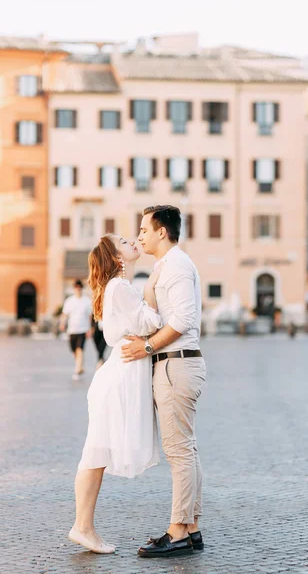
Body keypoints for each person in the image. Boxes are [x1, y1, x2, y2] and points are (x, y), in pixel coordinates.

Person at [68, 234, 163, 554]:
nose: (133, 240)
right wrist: (153, 297)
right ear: (117, 258)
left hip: (118, 374)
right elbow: (151, 321)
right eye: (124, 241)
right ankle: (82, 527)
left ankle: (84, 526)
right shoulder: (121, 288)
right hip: (119, 377)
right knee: (94, 453)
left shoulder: (119, 288)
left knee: (95, 453)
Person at [122, 205, 207, 559]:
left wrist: (146, 347)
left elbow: (184, 319)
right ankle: (191, 528)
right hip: (175, 365)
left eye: (144, 229)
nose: (140, 235)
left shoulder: (175, 265)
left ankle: (177, 531)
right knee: (186, 448)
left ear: (162, 232)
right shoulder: (167, 265)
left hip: (176, 365)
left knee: (178, 451)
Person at [60, 280, 93, 381]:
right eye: (76, 288)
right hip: (72, 330)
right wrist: (62, 323)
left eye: (79, 288)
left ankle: (77, 369)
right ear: (74, 289)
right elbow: (65, 314)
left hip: (82, 329)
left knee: (80, 349)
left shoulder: (86, 301)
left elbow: (90, 316)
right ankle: (80, 365)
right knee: (74, 350)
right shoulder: (69, 301)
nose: (78, 290)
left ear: (82, 289)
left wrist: (90, 328)